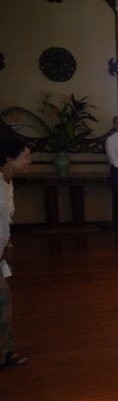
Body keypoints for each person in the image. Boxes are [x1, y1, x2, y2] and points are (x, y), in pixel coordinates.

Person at [0, 135, 29, 366]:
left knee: (4, 301)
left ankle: (6, 353)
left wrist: (8, 245)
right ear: (9, 159)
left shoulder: (8, 181)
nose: (29, 161)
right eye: (25, 156)